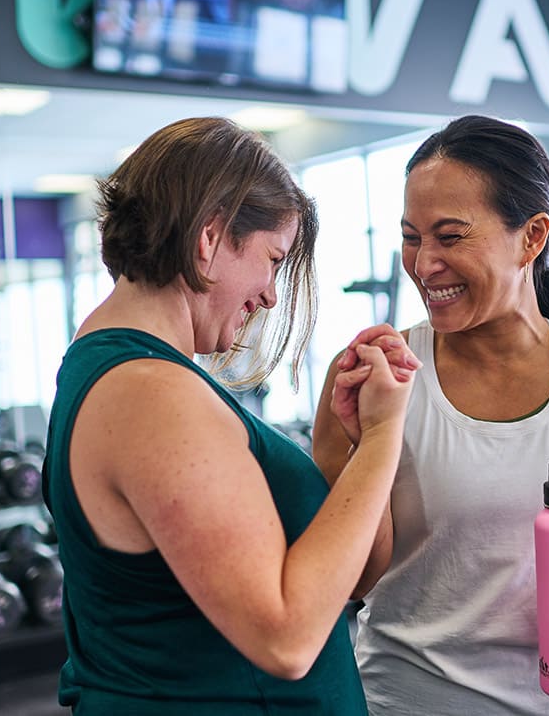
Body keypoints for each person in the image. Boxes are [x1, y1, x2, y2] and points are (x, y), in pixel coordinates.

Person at [42, 116, 421, 714]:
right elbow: (288, 637)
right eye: (272, 258)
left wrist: (346, 445)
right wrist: (383, 436)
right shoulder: (151, 395)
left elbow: (345, 583)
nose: (271, 293)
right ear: (209, 237)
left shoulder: (128, 373)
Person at [312, 115, 549, 715]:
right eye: (411, 237)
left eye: (450, 237)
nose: (424, 263)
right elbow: (355, 580)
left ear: (532, 236)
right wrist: (358, 444)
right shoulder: (376, 378)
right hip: (414, 702)